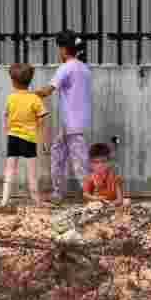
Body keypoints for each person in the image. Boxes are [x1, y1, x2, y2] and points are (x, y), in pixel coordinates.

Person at [34, 31, 91, 206]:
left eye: (59, 48)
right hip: (75, 122)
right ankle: (58, 193)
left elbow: (48, 90)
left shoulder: (66, 67)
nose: (59, 52)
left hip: (71, 123)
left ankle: (90, 195)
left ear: (64, 50)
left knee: (79, 161)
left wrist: (27, 94)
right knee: (59, 153)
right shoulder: (84, 68)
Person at [0, 63, 49, 210]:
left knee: (10, 169)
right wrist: (44, 142)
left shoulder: (10, 98)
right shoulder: (35, 99)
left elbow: (6, 115)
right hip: (29, 139)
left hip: (13, 137)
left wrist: (7, 127)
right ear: (30, 80)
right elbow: (42, 120)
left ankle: (4, 201)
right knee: (32, 172)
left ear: (13, 81)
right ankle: (36, 201)